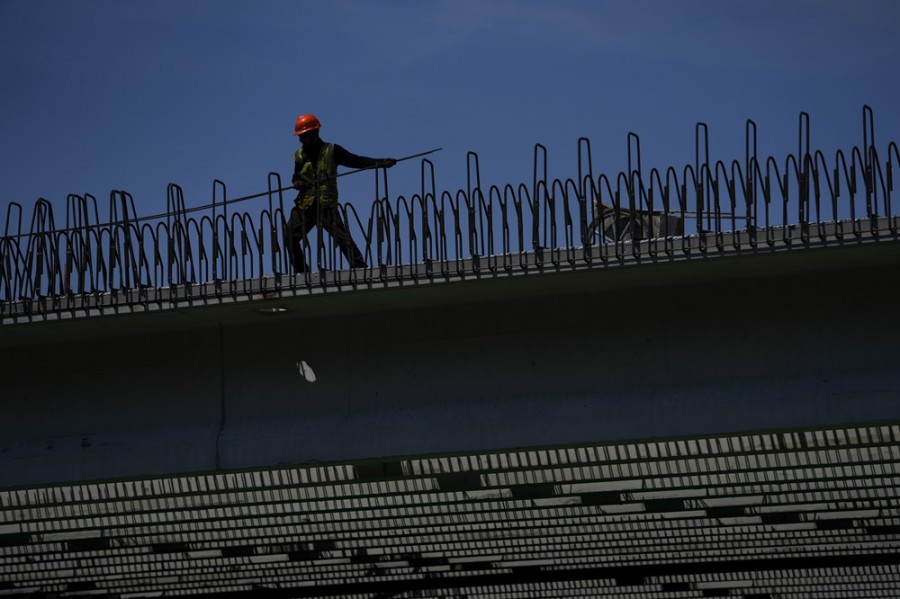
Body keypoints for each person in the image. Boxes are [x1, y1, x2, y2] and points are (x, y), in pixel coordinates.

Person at [285, 113, 396, 273]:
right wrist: (297, 182)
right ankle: (301, 270)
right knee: (289, 236)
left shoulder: (332, 150)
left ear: (313, 133)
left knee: (341, 237)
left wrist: (380, 162)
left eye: (303, 136)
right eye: (300, 136)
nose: (300, 139)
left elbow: (356, 161)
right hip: (305, 204)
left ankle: (359, 267)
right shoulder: (299, 155)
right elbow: (295, 176)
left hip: (325, 204)